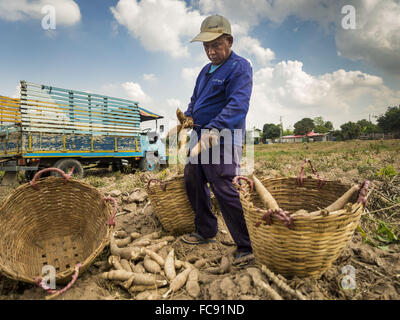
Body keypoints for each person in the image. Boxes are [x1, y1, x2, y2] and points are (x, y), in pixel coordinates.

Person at [180, 14, 254, 265]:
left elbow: (238, 105)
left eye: (216, 45)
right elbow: (195, 101)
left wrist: (214, 130)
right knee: (192, 177)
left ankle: (247, 244)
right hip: (199, 137)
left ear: (229, 41)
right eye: (206, 47)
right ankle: (206, 231)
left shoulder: (239, 66)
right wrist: (188, 118)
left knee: (223, 185)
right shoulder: (204, 71)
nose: (211, 52)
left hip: (223, 137)